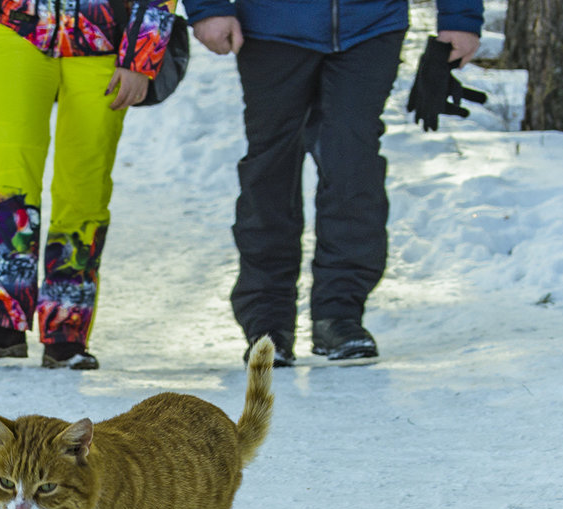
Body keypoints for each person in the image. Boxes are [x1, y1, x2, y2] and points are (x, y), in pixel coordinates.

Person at [181, 0, 483, 365]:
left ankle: (338, 317)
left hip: (372, 25)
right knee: (271, 170)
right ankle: (267, 321)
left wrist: (460, 17)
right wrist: (206, 7)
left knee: (354, 167)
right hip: (271, 24)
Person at [0, 0, 178, 369]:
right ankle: (2, 318)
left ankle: (67, 329)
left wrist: (141, 57)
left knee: (85, 179)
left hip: (103, 36)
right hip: (14, 26)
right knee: (10, 169)